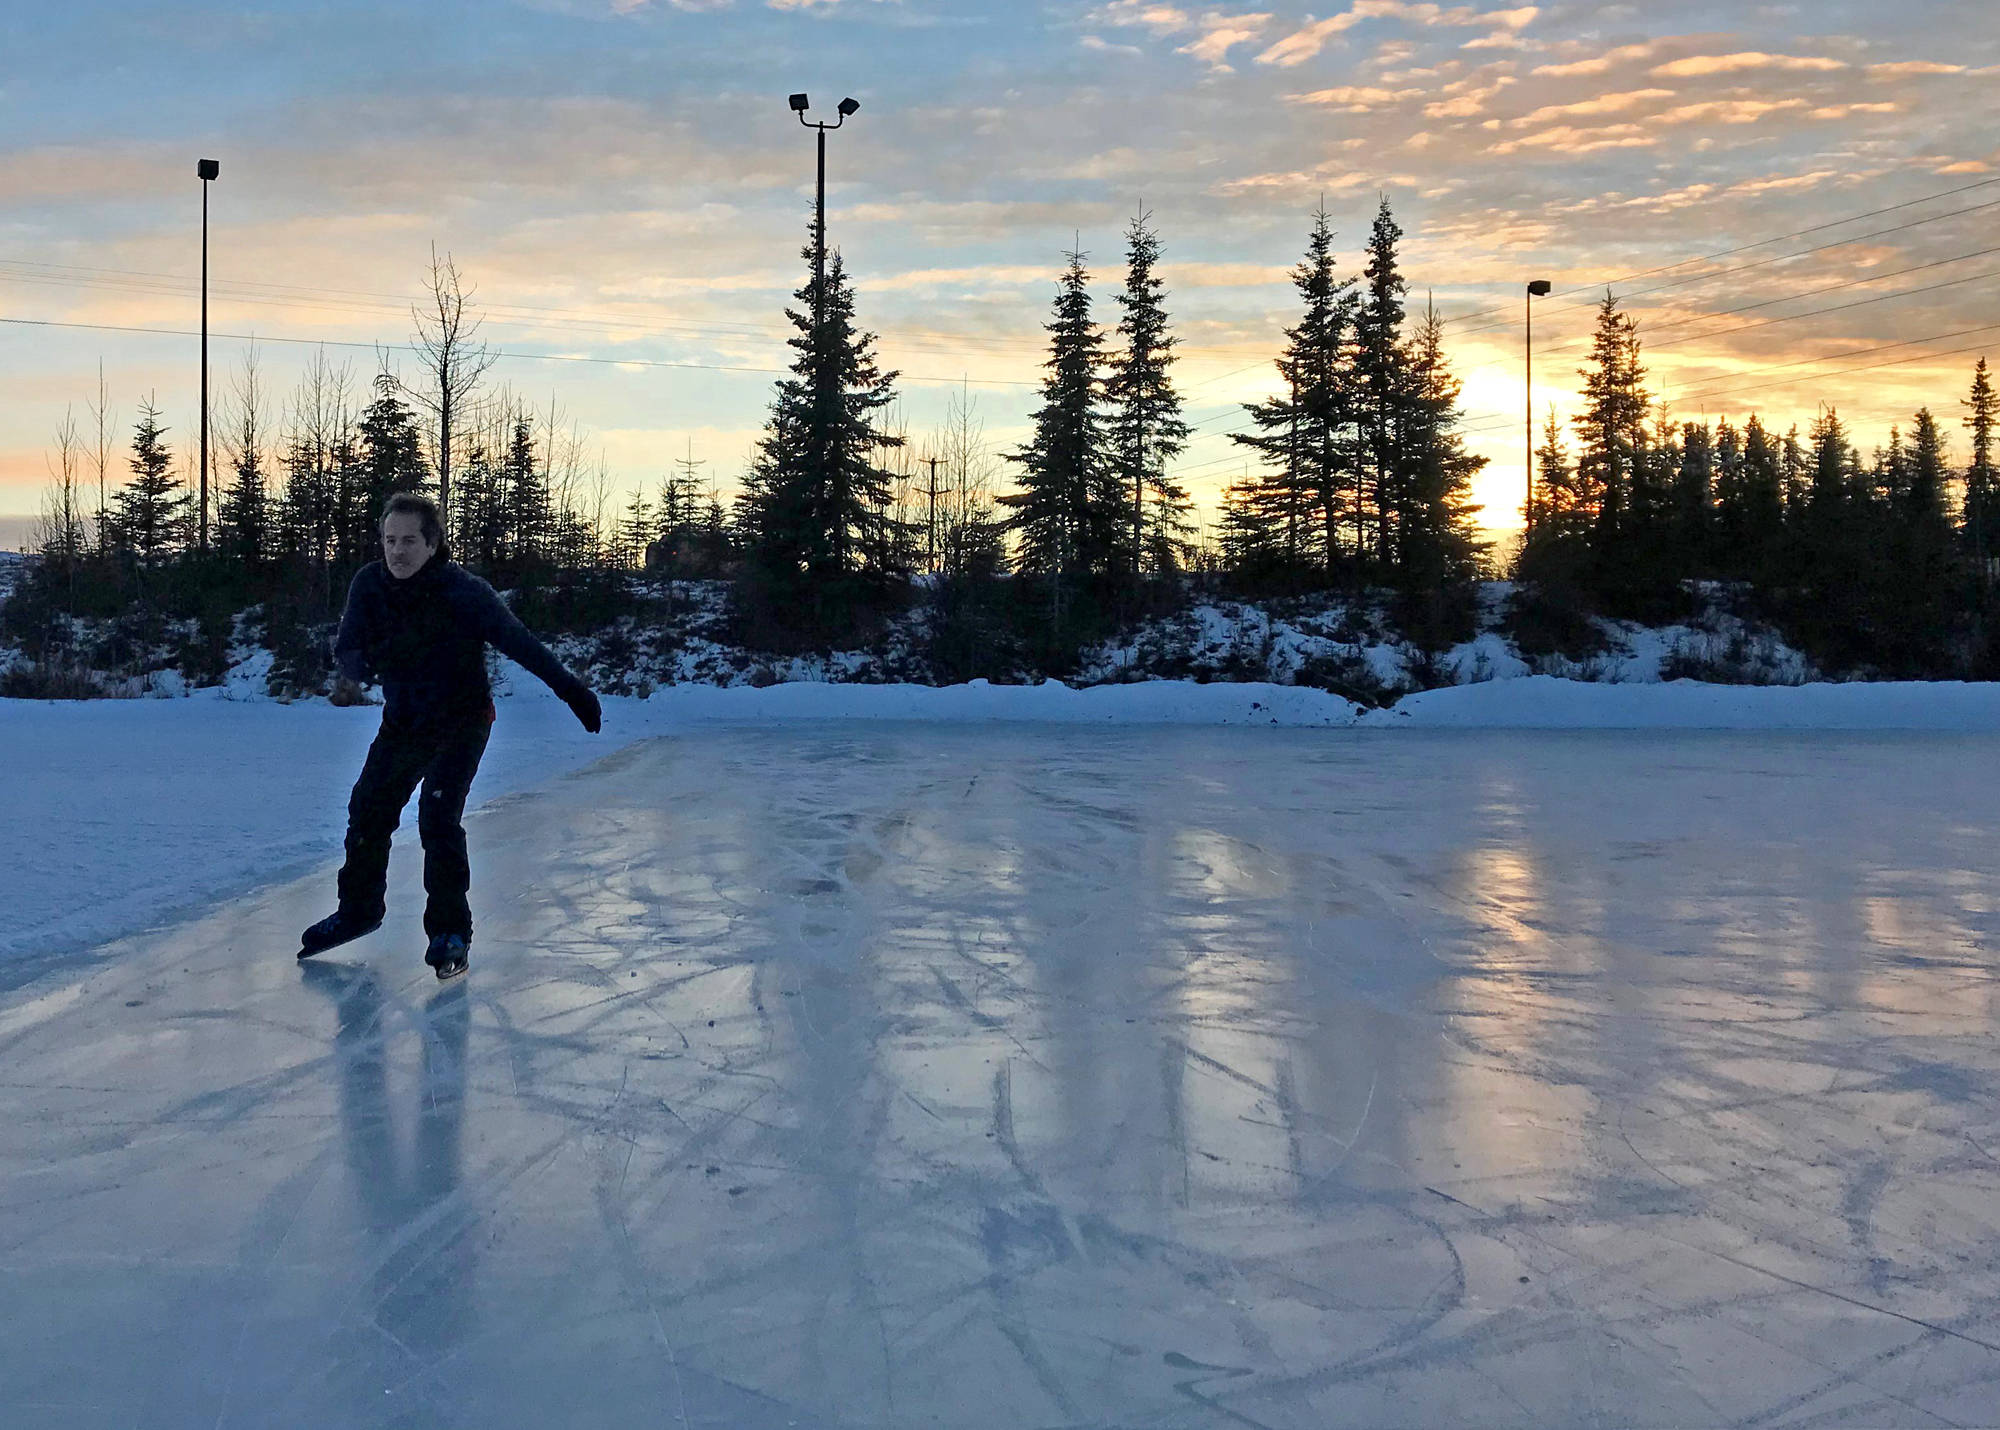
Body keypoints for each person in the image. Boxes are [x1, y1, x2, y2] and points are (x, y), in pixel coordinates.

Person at [299, 491, 602, 979]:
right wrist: (365, 663)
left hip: (463, 721)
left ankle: (450, 931)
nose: (397, 552)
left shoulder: (464, 592)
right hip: (404, 723)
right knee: (367, 809)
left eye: (409, 541)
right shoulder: (369, 585)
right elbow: (349, 645)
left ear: (433, 543)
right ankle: (359, 911)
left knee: (437, 816)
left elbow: (521, 644)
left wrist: (573, 692)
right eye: (389, 540)